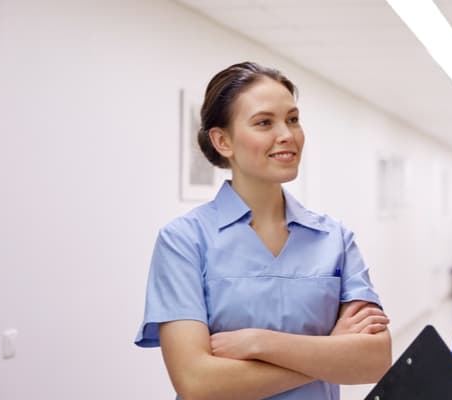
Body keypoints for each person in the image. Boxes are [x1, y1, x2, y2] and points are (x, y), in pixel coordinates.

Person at [134, 62, 391, 400]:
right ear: (222, 140)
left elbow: (373, 361)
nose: (287, 134)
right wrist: (329, 351)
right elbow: (197, 383)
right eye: (264, 123)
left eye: (293, 119)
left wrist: (260, 343)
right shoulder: (184, 241)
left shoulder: (334, 239)